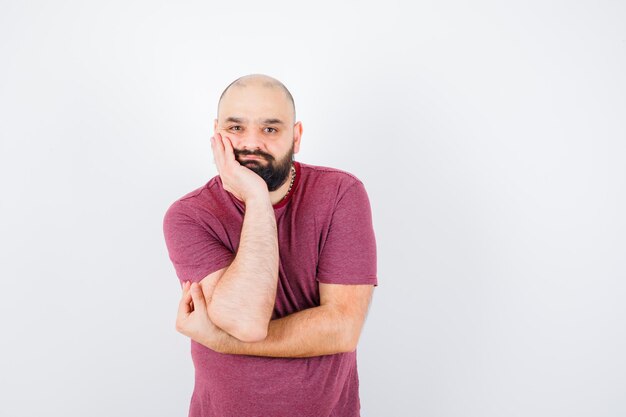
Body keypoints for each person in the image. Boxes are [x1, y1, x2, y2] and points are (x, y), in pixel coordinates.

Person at [162, 73, 378, 417]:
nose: (251, 143)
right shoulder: (189, 216)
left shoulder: (341, 194)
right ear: (216, 134)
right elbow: (245, 320)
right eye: (236, 128)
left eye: (270, 129)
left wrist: (220, 340)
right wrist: (258, 198)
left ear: (297, 136)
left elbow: (342, 329)